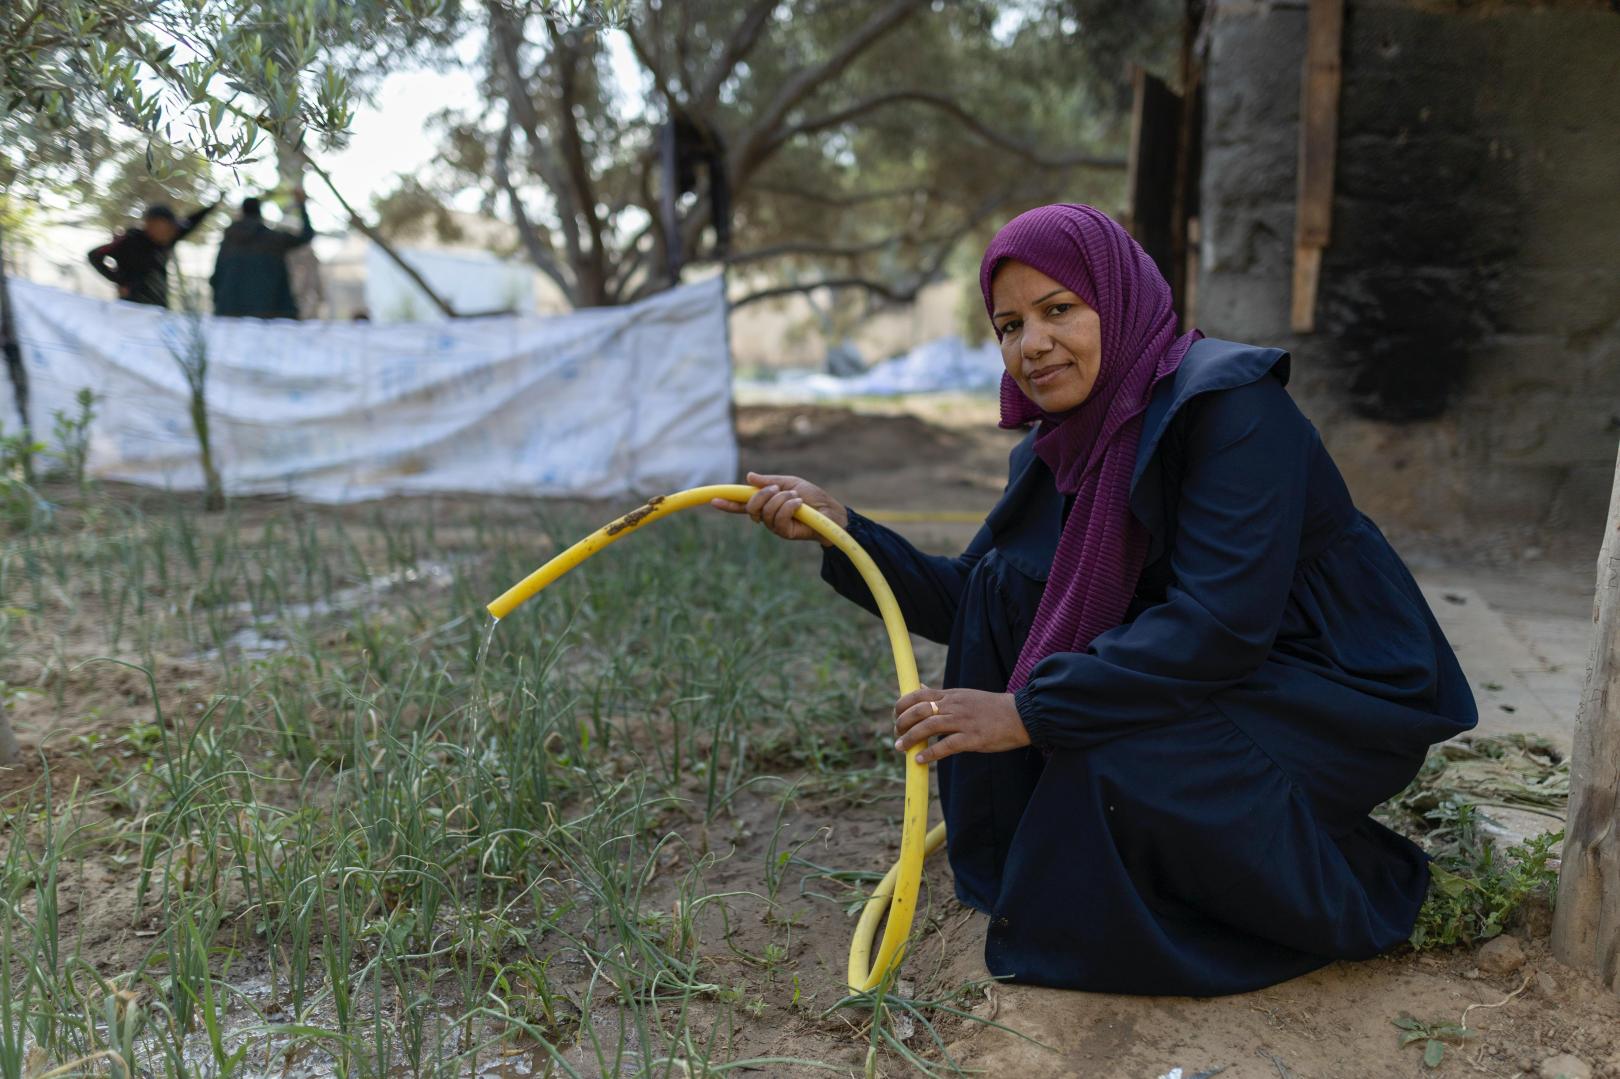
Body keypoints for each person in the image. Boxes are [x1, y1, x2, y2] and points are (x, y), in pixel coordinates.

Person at [716, 204, 1477, 997]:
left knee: (1113, 756)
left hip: (1335, 689)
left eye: (1058, 310)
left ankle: (1361, 885)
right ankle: (1094, 855)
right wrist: (845, 530)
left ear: (1118, 297)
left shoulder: (1234, 408)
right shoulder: (1062, 446)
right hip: (1231, 674)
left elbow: (1219, 625)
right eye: (1008, 325)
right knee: (1011, 586)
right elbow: (975, 600)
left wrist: (1025, 713)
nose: (1032, 343)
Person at [87, 199, 220, 308]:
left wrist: (214, 204)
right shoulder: (130, 240)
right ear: (148, 224)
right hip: (131, 306)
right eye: (162, 227)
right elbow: (94, 255)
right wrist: (120, 281)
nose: (169, 232)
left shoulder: (167, 239)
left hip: (159, 306)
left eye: (171, 228)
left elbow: (191, 222)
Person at [211, 190, 317, 319]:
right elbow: (306, 236)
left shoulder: (229, 241)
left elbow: (216, 276)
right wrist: (302, 205)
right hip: (269, 314)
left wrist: (219, 303)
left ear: (242, 212)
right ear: (259, 213)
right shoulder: (272, 239)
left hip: (229, 313)